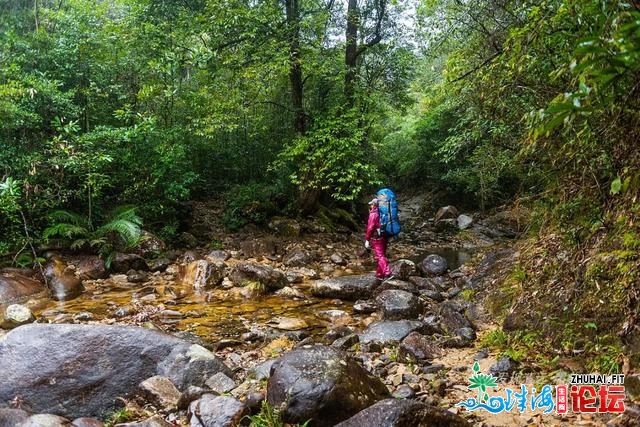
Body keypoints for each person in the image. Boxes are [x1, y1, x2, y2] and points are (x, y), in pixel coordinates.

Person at [365, 198, 393, 281]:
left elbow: (370, 228)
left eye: (371, 204)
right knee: (382, 255)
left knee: (379, 256)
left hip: (377, 238)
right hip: (384, 236)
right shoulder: (383, 212)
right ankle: (379, 274)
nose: (370, 205)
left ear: (374, 205)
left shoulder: (373, 214)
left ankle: (387, 272)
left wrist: (367, 239)